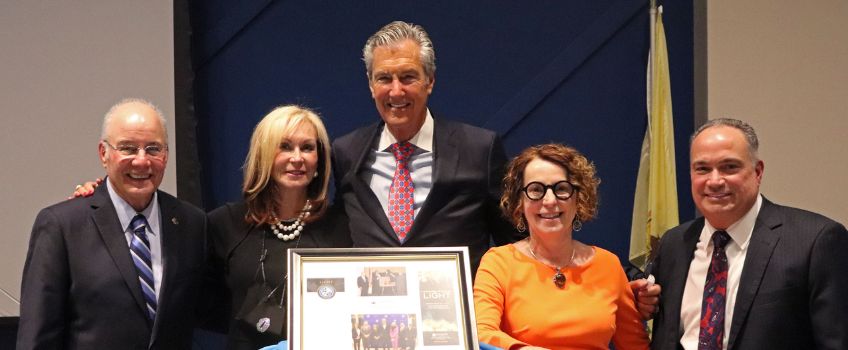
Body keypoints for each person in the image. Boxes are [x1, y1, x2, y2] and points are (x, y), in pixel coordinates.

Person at [330, 20, 523, 274]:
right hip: (374, 309)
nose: (396, 91)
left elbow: (515, 245)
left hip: (458, 310)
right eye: (384, 78)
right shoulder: (347, 152)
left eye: (408, 77)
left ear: (429, 81)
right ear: (370, 85)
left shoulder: (479, 150)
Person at [17, 98, 207, 349]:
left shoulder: (191, 223)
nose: (141, 161)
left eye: (153, 149)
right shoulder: (62, 226)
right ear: (103, 154)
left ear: (167, 155)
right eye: (128, 148)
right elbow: (37, 337)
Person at [649, 118, 848, 350]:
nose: (714, 181)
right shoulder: (674, 243)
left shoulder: (816, 240)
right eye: (702, 169)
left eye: (729, 167)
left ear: (758, 172)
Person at [474, 143, 650, 350]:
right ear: (519, 202)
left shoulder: (608, 264)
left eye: (561, 189)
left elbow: (636, 346)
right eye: (536, 190)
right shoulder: (499, 262)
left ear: (579, 198)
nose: (549, 200)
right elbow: (481, 333)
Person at [203, 105, 352, 349]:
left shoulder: (342, 228)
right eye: (284, 146)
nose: (297, 158)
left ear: (319, 160)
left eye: (307, 148)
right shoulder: (224, 223)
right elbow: (204, 303)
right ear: (263, 155)